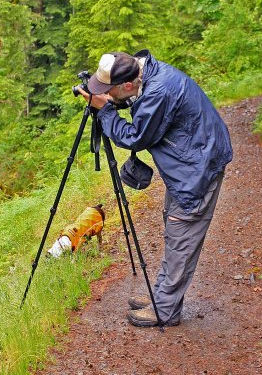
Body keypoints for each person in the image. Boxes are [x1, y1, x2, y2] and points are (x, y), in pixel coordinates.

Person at [78, 49, 233, 327]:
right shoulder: (145, 73)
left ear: (126, 83)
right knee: (175, 229)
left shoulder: (158, 91)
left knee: (181, 232)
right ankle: (163, 296)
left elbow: (135, 137)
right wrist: (110, 102)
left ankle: (165, 310)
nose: (107, 94)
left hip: (196, 168)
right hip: (191, 160)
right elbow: (138, 106)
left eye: (109, 90)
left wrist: (106, 111)